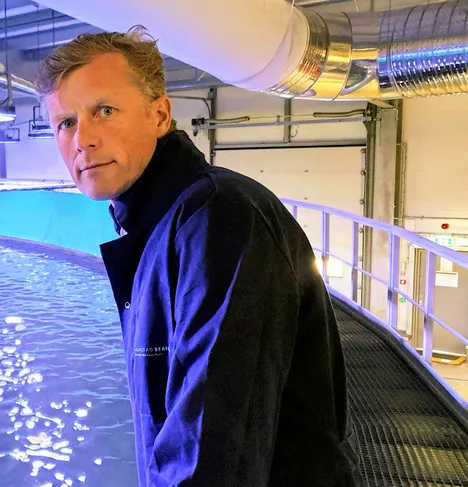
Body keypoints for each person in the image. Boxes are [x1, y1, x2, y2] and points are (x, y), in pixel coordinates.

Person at [35, 26, 361, 486]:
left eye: (104, 110)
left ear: (160, 115)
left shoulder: (218, 218)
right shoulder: (166, 227)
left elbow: (213, 448)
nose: (82, 139)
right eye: (65, 123)